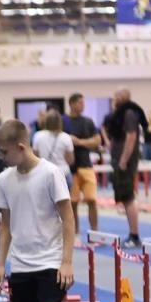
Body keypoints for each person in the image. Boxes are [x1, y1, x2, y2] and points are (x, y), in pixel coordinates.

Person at [0, 119, 75, 302]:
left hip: (50, 259)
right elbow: (5, 225)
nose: (1, 158)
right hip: (21, 262)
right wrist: (0, 265)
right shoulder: (4, 180)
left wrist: (67, 262)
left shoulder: (51, 173)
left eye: (4, 152)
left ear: (20, 146)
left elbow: (68, 219)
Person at [102, 88, 147, 246]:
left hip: (125, 162)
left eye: (115, 96)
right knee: (125, 197)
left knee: (128, 197)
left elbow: (131, 137)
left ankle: (135, 236)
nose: (113, 99)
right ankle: (132, 233)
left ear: (121, 97)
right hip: (119, 160)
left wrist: (123, 160)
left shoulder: (128, 113)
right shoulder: (121, 114)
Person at [64, 93, 103, 233]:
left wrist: (79, 142)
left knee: (91, 200)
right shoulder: (64, 121)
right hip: (70, 168)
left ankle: (95, 231)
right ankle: (75, 233)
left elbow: (97, 141)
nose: (83, 105)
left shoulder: (88, 122)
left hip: (86, 166)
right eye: (80, 102)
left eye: (83, 102)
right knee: (72, 203)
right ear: (72, 104)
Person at [30, 109, 74, 186]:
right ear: (60, 122)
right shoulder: (66, 137)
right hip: (63, 173)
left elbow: (35, 157)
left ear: (47, 121)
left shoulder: (38, 136)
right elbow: (70, 160)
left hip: (44, 173)